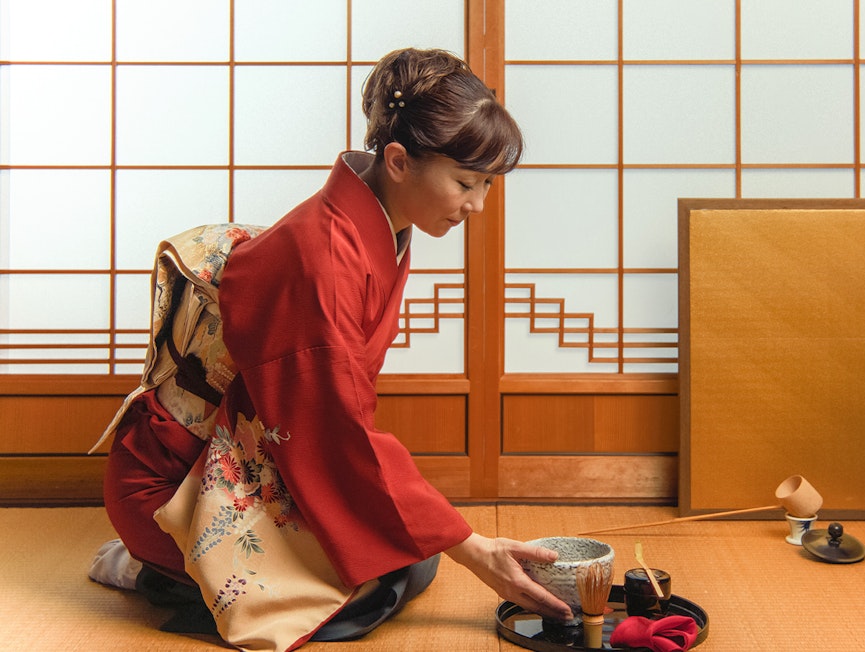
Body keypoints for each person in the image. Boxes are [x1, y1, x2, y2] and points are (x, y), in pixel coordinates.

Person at [90, 47, 571, 651]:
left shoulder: (381, 222)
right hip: (176, 481)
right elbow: (334, 429)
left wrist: (446, 539)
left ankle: (180, 573)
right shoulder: (319, 256)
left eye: (486, 185)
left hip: (263, 449)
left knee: (410, 563)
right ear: (398, 160)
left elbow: (331, 418)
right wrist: (474, 547)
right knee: (362, 597)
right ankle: (155, 567)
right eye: (466, 183)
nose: (476, 205)